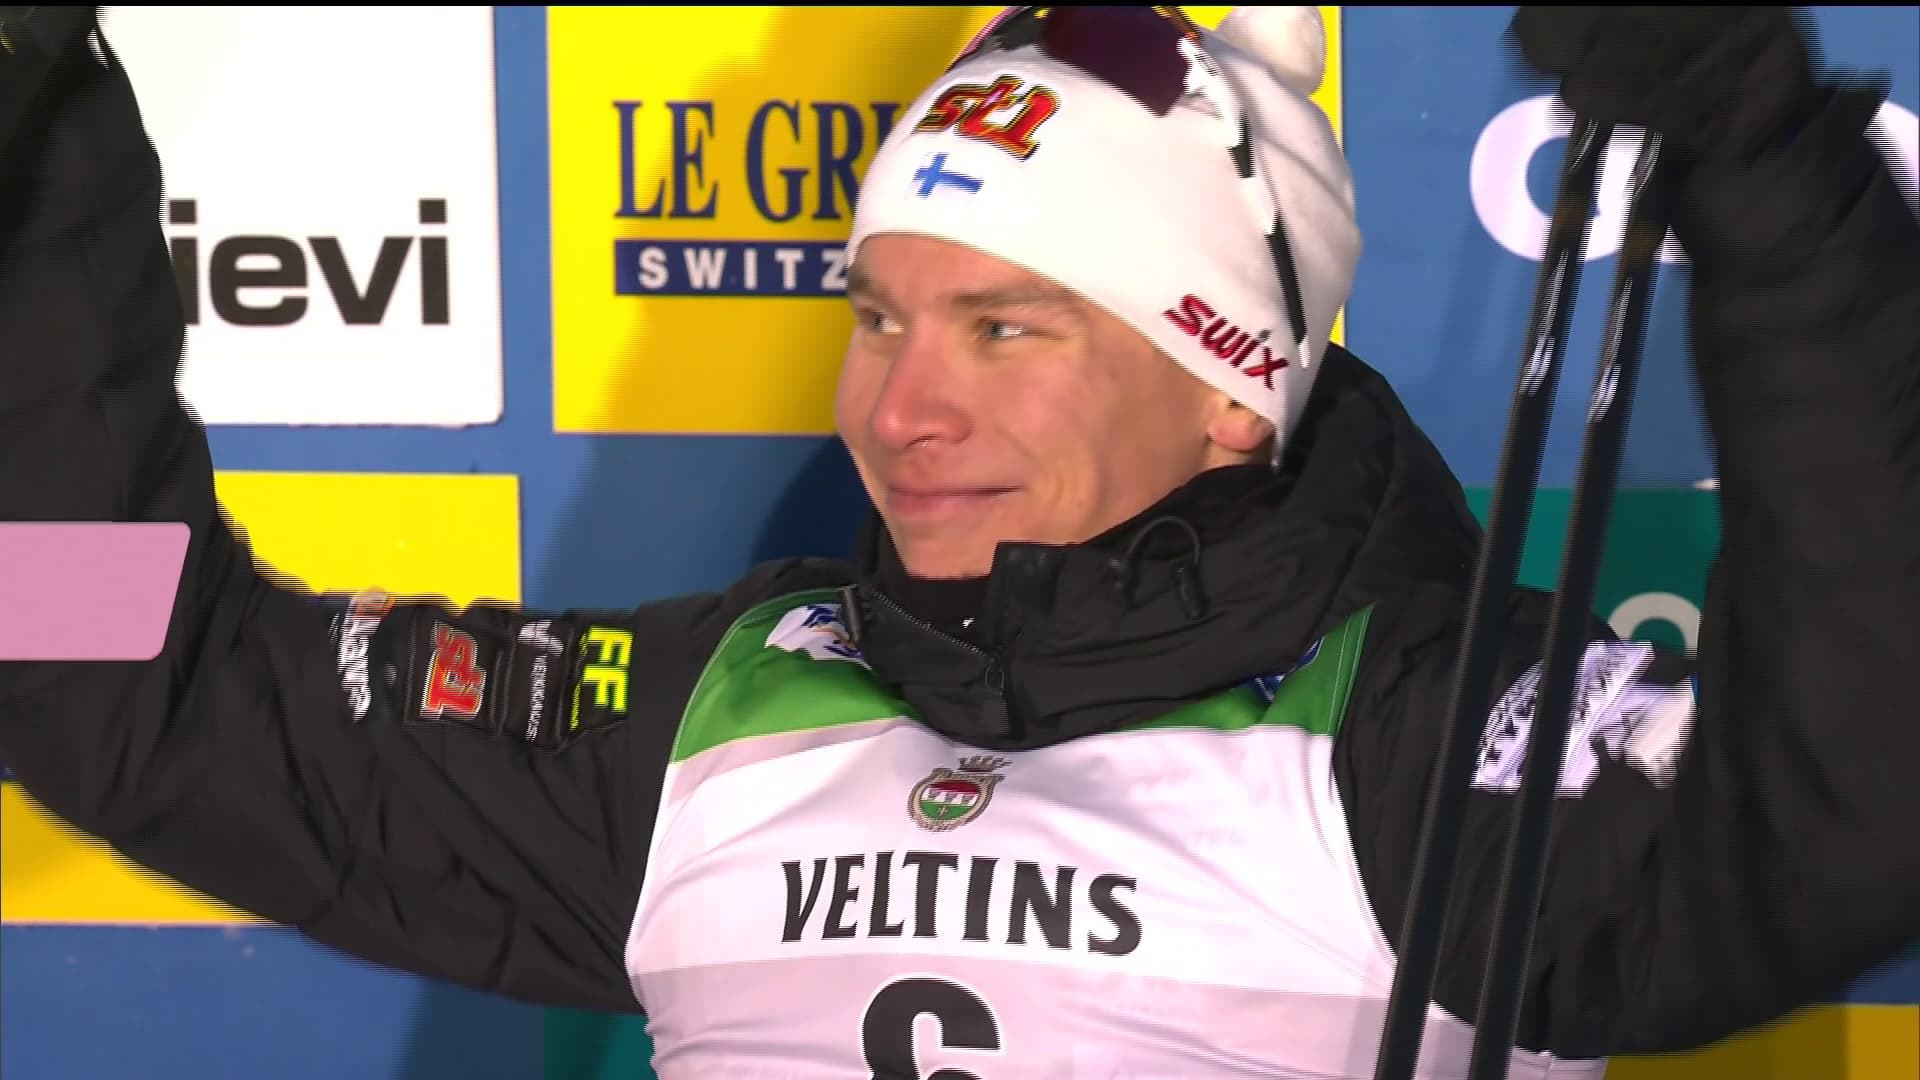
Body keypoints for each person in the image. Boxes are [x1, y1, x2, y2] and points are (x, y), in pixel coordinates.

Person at [2, 5, 1916, 1078]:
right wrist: (42, 115)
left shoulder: (1429, 737)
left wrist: (1767, 164)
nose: (900, 407)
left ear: (1230, 384)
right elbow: (115, 674)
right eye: (878, 316)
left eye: (1008, 328)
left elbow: (1860, 782)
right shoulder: (713, 706)